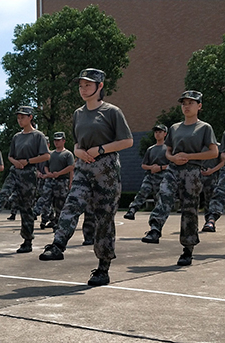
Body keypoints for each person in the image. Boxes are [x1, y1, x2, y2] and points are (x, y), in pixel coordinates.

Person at [39, 68, 133, 286]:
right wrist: (79, 151)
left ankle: (103, 268)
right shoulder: (78, 114)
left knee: (104, 219)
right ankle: (58, 245)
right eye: (81, 85)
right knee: (71, 204)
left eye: (88, 85)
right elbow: (77, 142)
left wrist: (101, 149)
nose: (83, 89)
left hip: (106, 170)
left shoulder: (112, 112)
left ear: (100, 86)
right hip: (83, 167)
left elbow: (127, 141)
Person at [141, 90, 217, 266]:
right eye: (184, 103)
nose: (186, 106)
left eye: (191, 103)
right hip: (174, 168)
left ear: (199, 106)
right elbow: (168, 151)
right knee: (164, 194)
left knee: (189, 210)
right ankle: (155, 229)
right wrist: (173, 158)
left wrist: (190, 156)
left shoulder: (204, 128)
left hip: (192, 172)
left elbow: (213, 152)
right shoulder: (175, 128)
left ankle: (187, 250)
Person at [0, 106, 50, 251]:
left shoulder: (38, 136)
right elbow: (10, 155)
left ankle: (27, 240)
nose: (20, 120)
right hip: (15, 171)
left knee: (26, 208)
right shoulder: (17, 137)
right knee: (4, 192)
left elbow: (46, 155)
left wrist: (28, 161)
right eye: (18, 117)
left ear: (30, 117)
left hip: (29, 174)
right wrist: (15, 162)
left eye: (22, 117)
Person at [124, 124, 169, 220]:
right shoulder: (151, 149)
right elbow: (143, 165)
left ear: (165, 134)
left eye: (160, 132)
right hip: (150, 176)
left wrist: (160, 168)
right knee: (143, 192)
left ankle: (157, 219)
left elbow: (172, 165)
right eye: (156, 132)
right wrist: (151, 167)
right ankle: (132, 210)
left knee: (160, 199)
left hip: (162, 177)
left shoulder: (168, 149)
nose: (157, 134)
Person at [35, 131, 75, 230]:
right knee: (45, 198)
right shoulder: (50, 154)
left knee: (60, 203)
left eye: (59, 140)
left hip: (62, 181)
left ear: (63, 141)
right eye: (55, 140)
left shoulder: (67, 154)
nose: (56, 142)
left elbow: (71, 167)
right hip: (50, 180)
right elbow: (46, 166)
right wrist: (48, 173)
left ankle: (58, 222)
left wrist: (66, 178)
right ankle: (39, 214)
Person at [199, 142, 225, 231]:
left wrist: (212, 170)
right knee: (208, 199)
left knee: (211, 197)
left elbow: (222, 161)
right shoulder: (199, 147)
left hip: (213, 176)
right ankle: (209, 220)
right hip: (200, 175)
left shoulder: (218, 146)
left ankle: (210, 221)